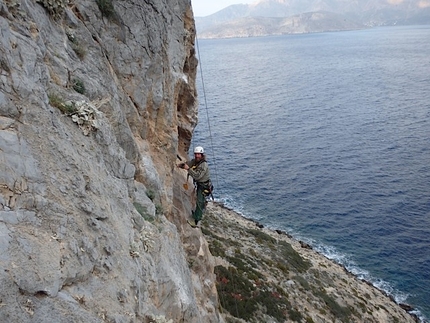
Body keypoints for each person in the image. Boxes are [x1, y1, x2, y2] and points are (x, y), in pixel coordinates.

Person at [178, 146, 212, 228]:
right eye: (196, 154)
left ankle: (196, 220)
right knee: (199, 201)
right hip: (201, 185)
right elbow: (188, 163)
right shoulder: (196, 161)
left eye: (199, 154)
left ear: (202, 155)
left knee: (200, 202)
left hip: (204, 186)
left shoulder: (203, 165)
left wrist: (188, 168)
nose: (197, 156)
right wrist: (181, 165)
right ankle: (197, 214)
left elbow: (197, 176)